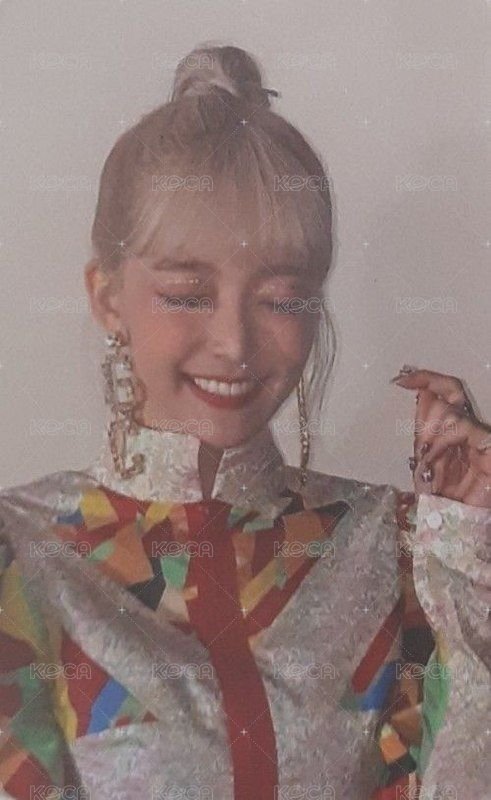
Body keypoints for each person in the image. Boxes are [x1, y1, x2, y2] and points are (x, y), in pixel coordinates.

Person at [0, 43, 490, 800]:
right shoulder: (24, 557)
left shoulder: (403, 555)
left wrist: (467, 546)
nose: (233, 342)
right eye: (187, 294)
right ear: (106, 297)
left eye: (280, 298)